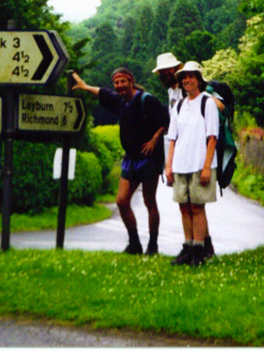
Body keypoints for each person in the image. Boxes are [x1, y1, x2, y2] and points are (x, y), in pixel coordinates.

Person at [72, 68, 169, 255]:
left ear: (131, 82)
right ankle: (134, 243)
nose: (119, 86)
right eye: (116, 83)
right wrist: (84, 87)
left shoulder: (146, 100)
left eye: (123, 82)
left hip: (149, 159)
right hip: (130, 159)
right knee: (122, 201)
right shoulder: (119, 101)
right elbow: (101, 92)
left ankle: (153, 245)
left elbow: (166, 117)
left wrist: (155, 139)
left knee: (150, 202)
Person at [153, 52, 218, 258]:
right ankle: (189, 247)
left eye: (191, 77)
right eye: (184, 78)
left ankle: (199, 249)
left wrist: (207, 167)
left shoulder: (207, 102)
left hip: (199, 164)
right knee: (184, 207)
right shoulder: (178, 103)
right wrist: (169, 165)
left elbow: (212, 137)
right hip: (180, 163)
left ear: (199, 80)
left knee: (197, 207)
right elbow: (172, 137)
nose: (187, 81)